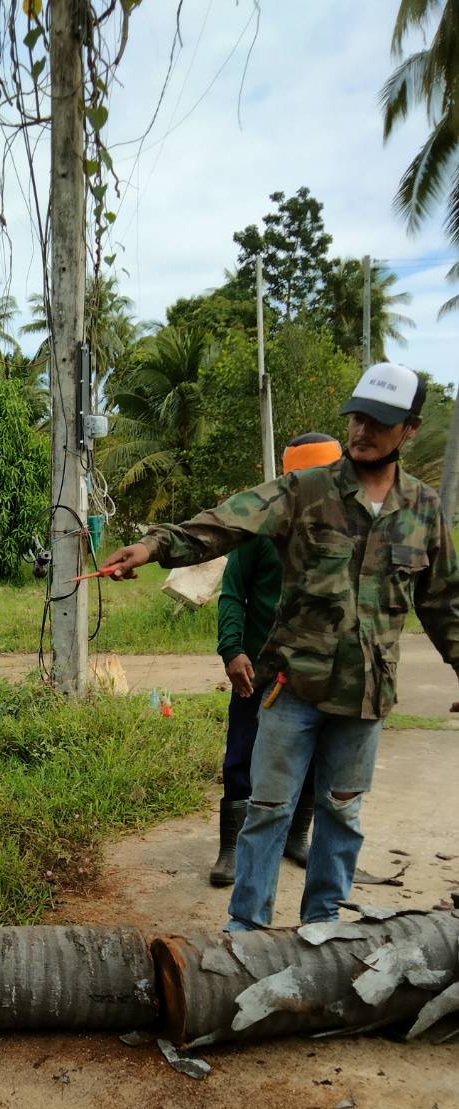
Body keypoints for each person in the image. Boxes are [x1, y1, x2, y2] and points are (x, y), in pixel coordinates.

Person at [105, 363, 459, 931]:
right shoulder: (306, 491)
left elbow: (444, 602)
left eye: (380, 422)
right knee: (267, 811)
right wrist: (152, 547)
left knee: (342, 815)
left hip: (364, 696)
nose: (363, 430)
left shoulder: (423, 511)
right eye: (358, 417)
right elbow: (227, 522)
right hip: (293, 687)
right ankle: (246, 928)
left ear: (410, 429)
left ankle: (323, 928)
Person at [210, 433, 342, 886]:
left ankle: (294, 837)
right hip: (259, 665)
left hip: (316, 667)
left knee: (313, 750)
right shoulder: (259, 527)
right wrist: (233, 649)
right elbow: (233, 594)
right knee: (242, 752)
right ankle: (232, 848)